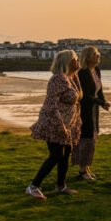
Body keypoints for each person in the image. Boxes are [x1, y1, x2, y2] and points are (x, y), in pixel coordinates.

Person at [26, 50, 83, 199]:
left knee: (65, 155)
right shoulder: (58, 79)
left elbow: (78, 96)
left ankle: (61, 186)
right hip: (54, 123)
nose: (78, 62)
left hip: (67, 124)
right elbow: (51, 105)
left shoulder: (69, 78)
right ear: (69, 61)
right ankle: (33, 186)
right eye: (76, 59)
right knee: (56, 155)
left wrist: (75, 74)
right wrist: (61, 126)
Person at [74, 46, 111, 181]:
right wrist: (101, 102)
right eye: (96, 54)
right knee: (86, 137)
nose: (98, 56)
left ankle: (86, 168)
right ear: (88, 57)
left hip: (94, 108)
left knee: (93, 136)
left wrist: (103, 101)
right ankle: (83, 171)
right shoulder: (82, 73)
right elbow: (86, 95)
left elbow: (99, 90)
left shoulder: (96, 70)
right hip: (84, 109)